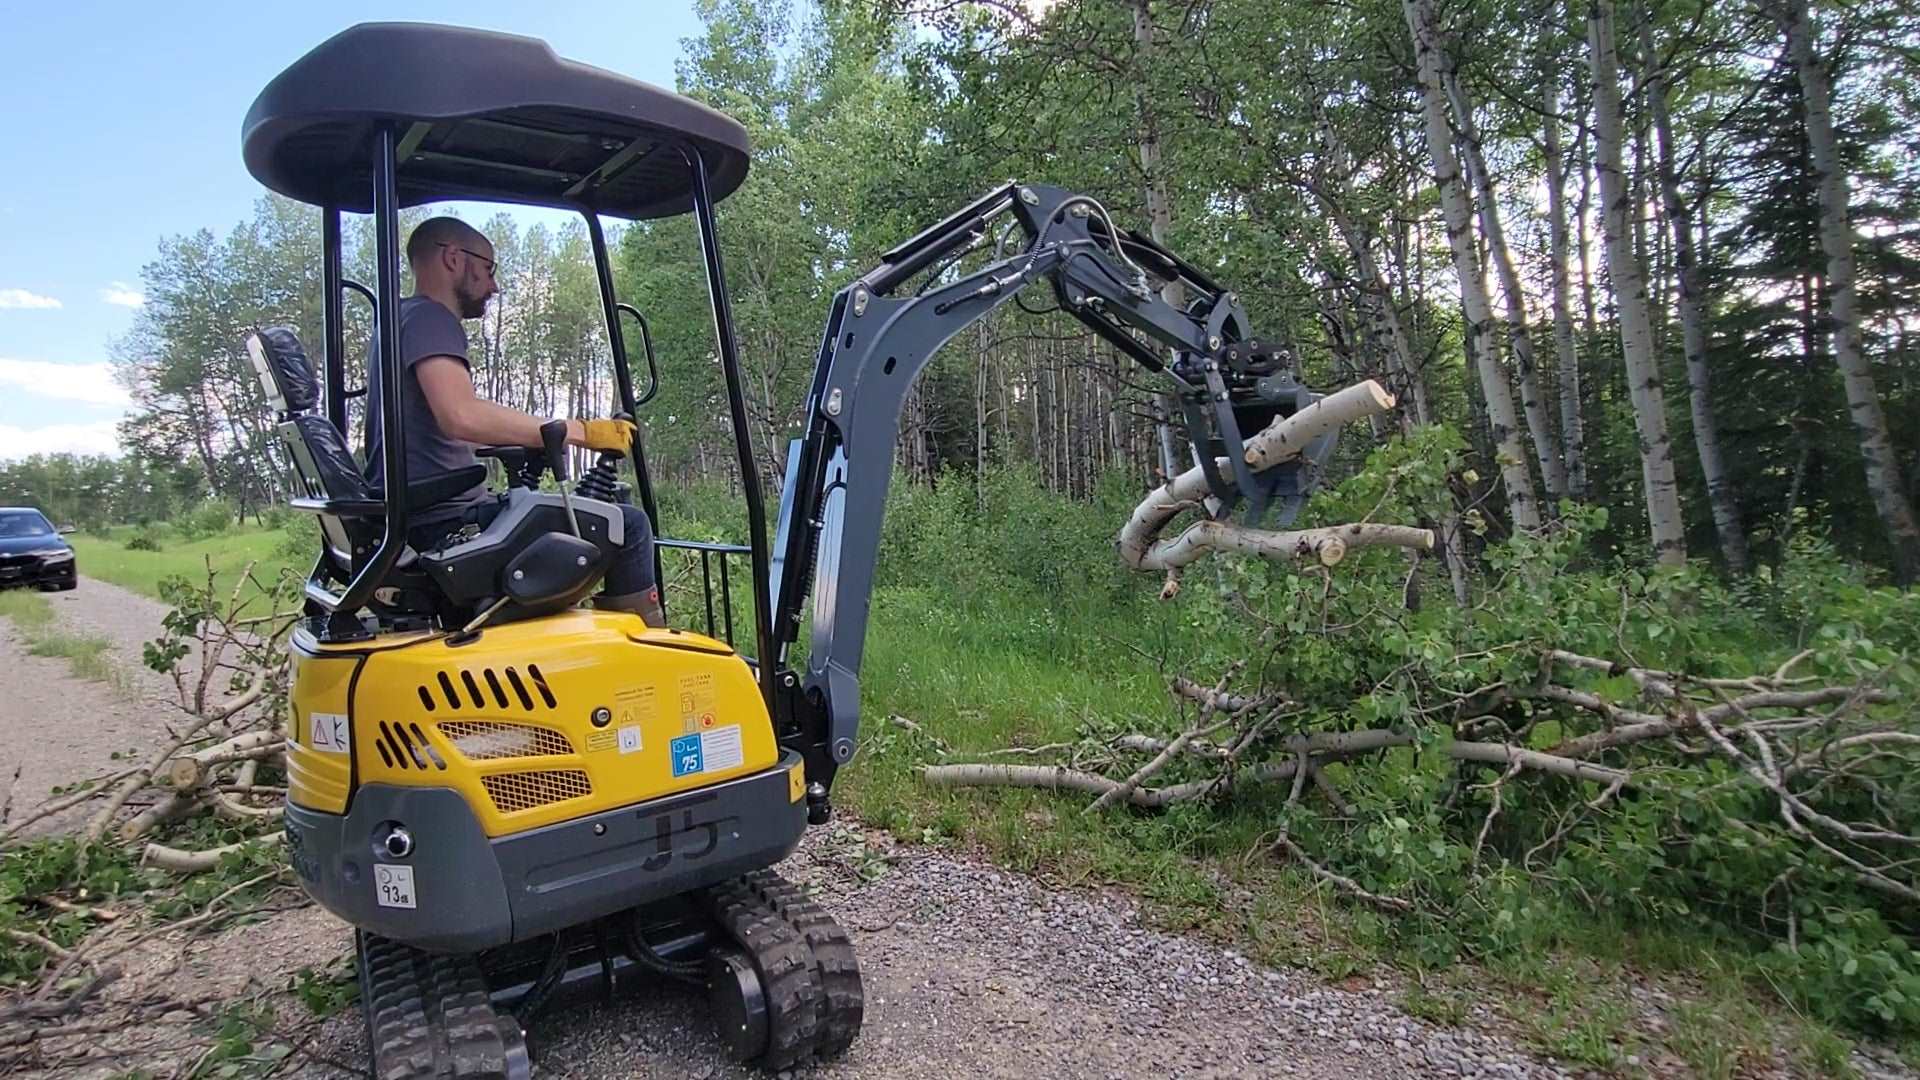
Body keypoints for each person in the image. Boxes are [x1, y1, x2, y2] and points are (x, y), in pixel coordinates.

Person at [364, 216, 664, 626]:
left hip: (420, 520)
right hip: (445, 525)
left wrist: (534, 439)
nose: (493, 286)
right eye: (488, 270)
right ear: (453, 258)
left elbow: (453, 415)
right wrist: (581, 432)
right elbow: (460, 415)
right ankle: (643, 658)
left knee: (573, 515)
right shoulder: (430, 319)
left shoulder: (401, 318)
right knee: (627, 524)